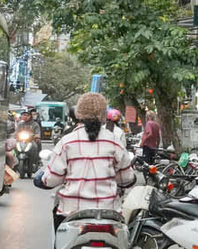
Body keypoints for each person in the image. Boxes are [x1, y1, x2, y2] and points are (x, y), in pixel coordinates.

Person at [40, 90, 137, 236]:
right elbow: (126, 179)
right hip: (109, 213)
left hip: (70, 213)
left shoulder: (66, 141)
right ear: (103, 114)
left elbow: (51, 179)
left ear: (79, 113)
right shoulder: (115, 141)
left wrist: (41, 180)